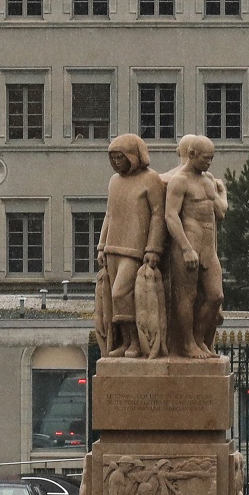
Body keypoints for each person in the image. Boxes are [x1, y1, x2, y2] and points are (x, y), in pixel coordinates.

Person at [95, 134, 168, 359]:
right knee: (114, 299)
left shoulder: (151, 179)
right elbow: (109, 214)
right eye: (113, 158)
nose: (116, 162)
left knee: (121, 294)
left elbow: (158, 215)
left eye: (120, 157)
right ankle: (125, 341)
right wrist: (101, 245)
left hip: (135, 249)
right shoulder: (114, 182)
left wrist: (153, 249)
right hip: (113, 248)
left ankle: (137, 341)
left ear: (134, 156)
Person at [163, 134, 228, 358]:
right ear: (192, 155)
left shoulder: (208, 179)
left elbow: (220, 212)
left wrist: (222, 191)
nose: (209, 162)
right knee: (186, 296)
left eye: (211, 158)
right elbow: (171, 215)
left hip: (209, 247)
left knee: (215, 296)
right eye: (205, 158)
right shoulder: (179, 181)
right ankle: (188, 344)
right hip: (188, 243)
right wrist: (185, 248)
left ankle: (199, 338)